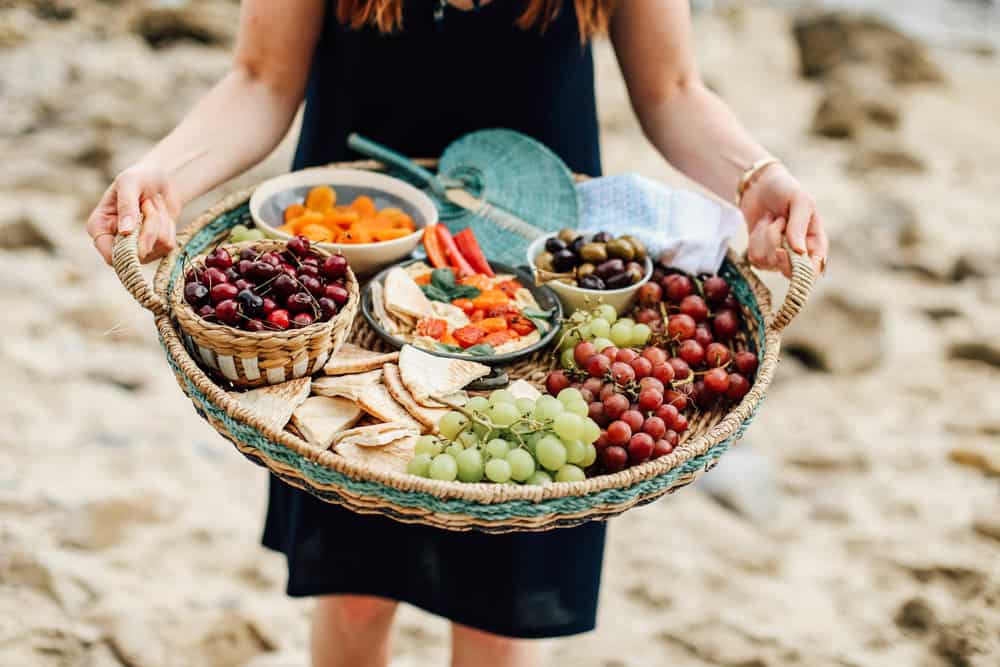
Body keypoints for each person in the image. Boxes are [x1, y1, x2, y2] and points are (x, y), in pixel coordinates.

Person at [86, 1, 829, 665]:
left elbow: (672, 90)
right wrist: (166, 173)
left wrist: (755, 176)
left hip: (538, 274)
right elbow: (260, 78)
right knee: (352, 588)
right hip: (345, 274)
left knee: (502, 618)